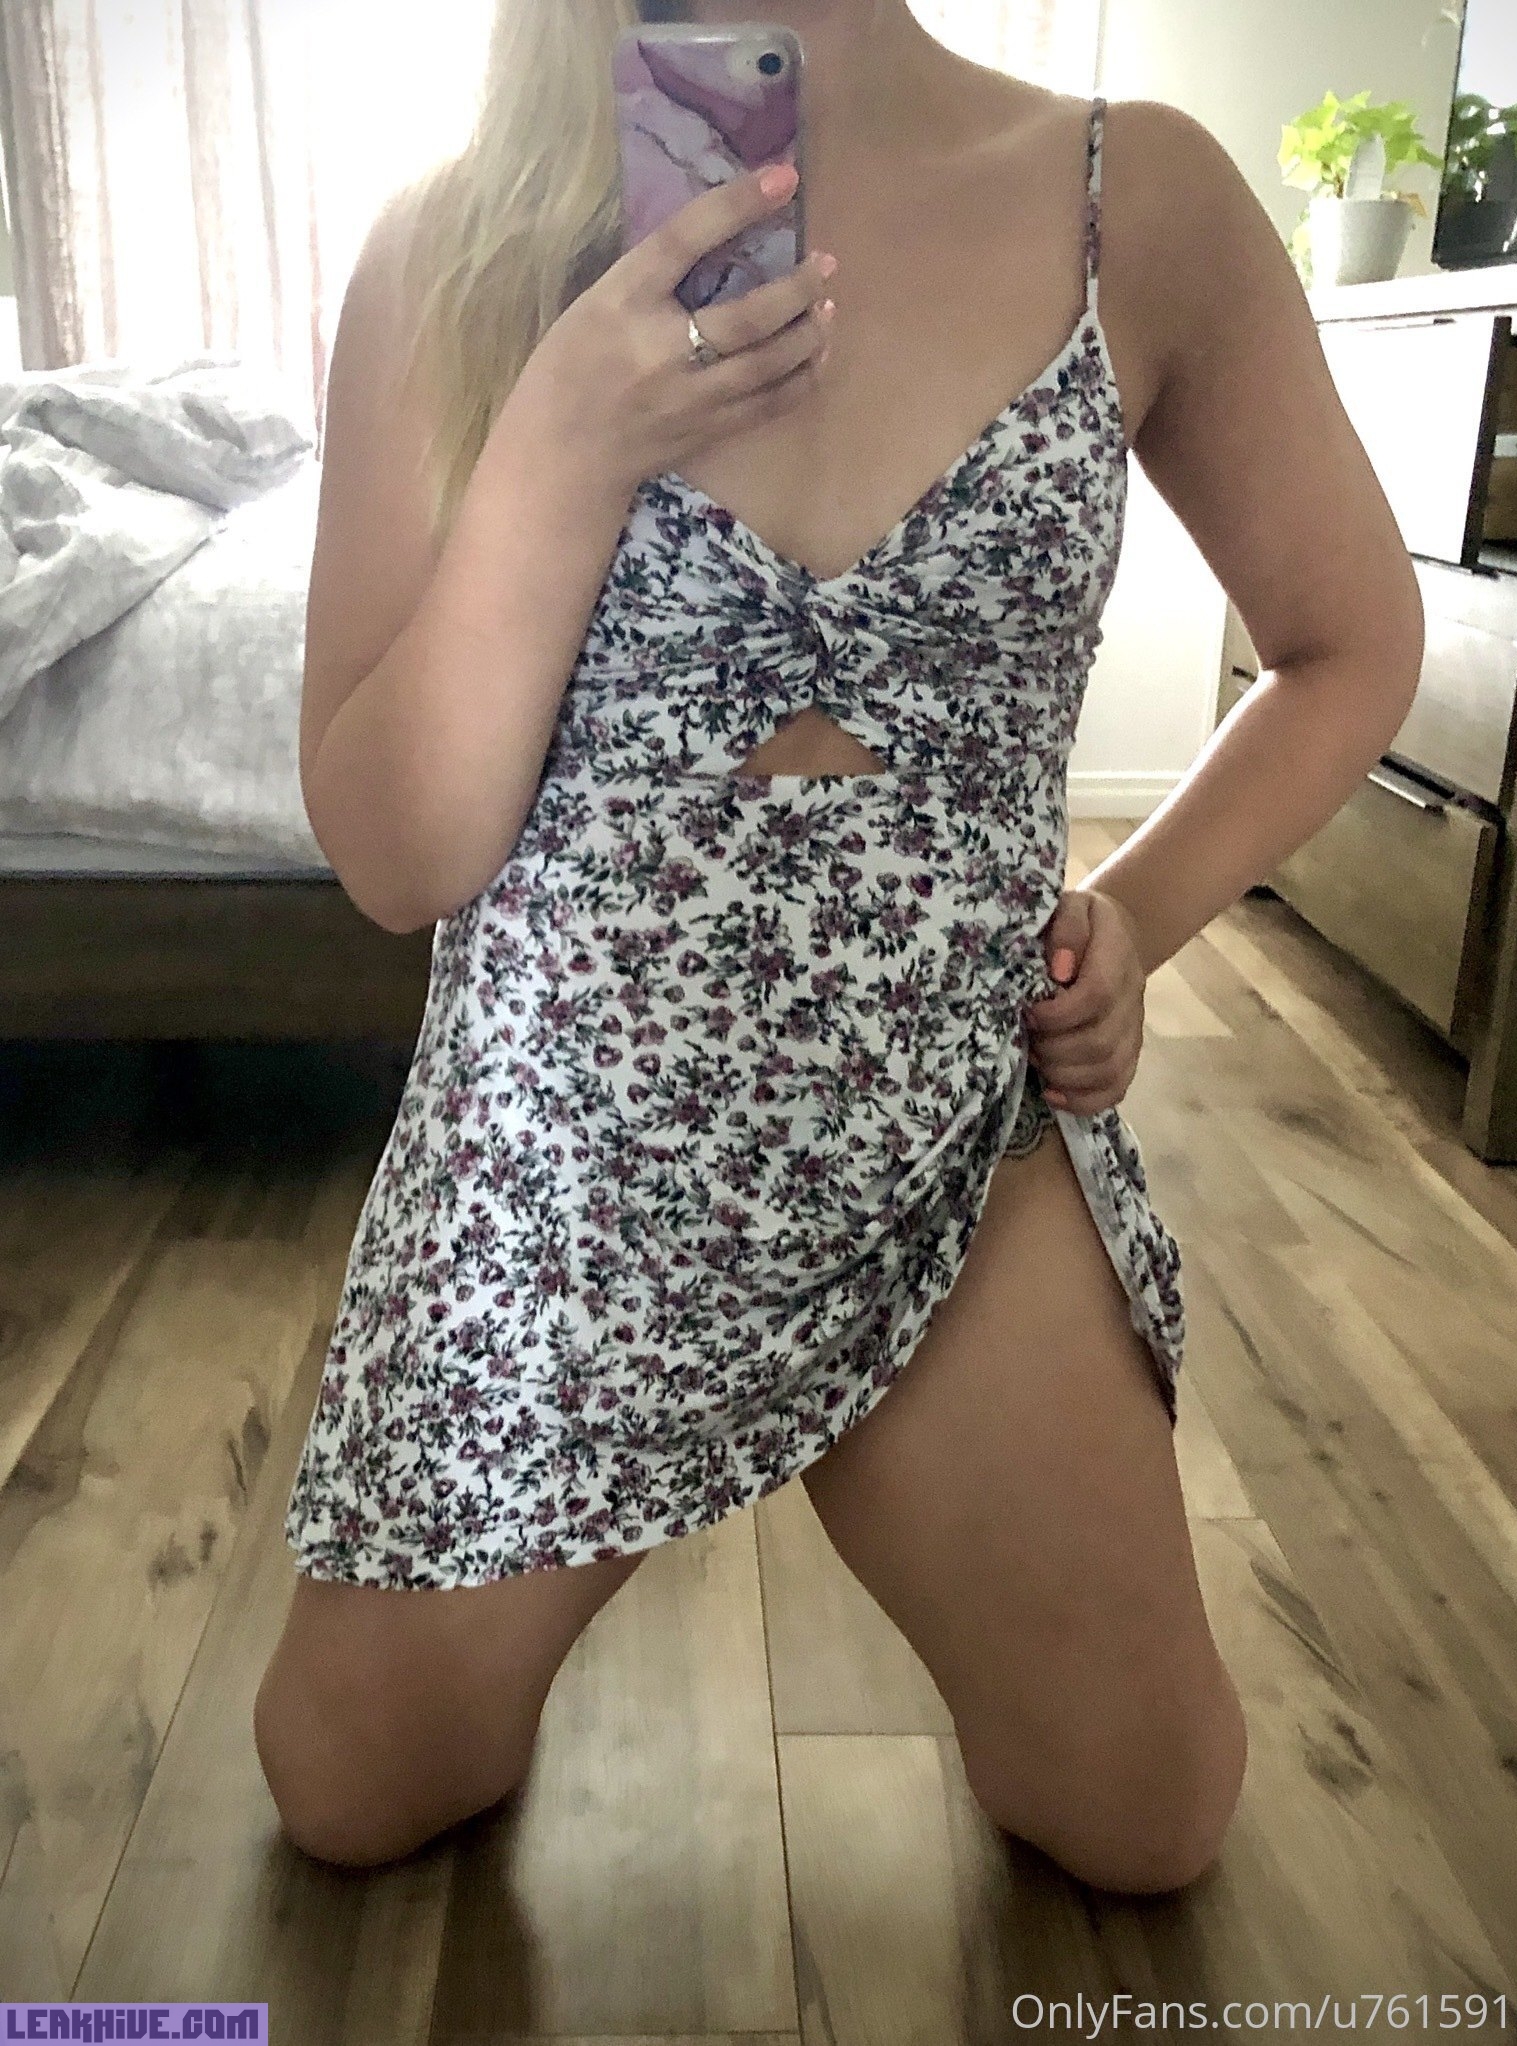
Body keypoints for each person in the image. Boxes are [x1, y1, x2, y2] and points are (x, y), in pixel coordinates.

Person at [253, 0, 1425, 1893]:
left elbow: (1348, 639)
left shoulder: (1132, 201)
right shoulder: (454, 248)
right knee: (349, 1788)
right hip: (569, 1167)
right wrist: (563, 445)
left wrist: (1130, 916)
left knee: (1142, 1815)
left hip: (953, 1138)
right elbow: (401, 860)